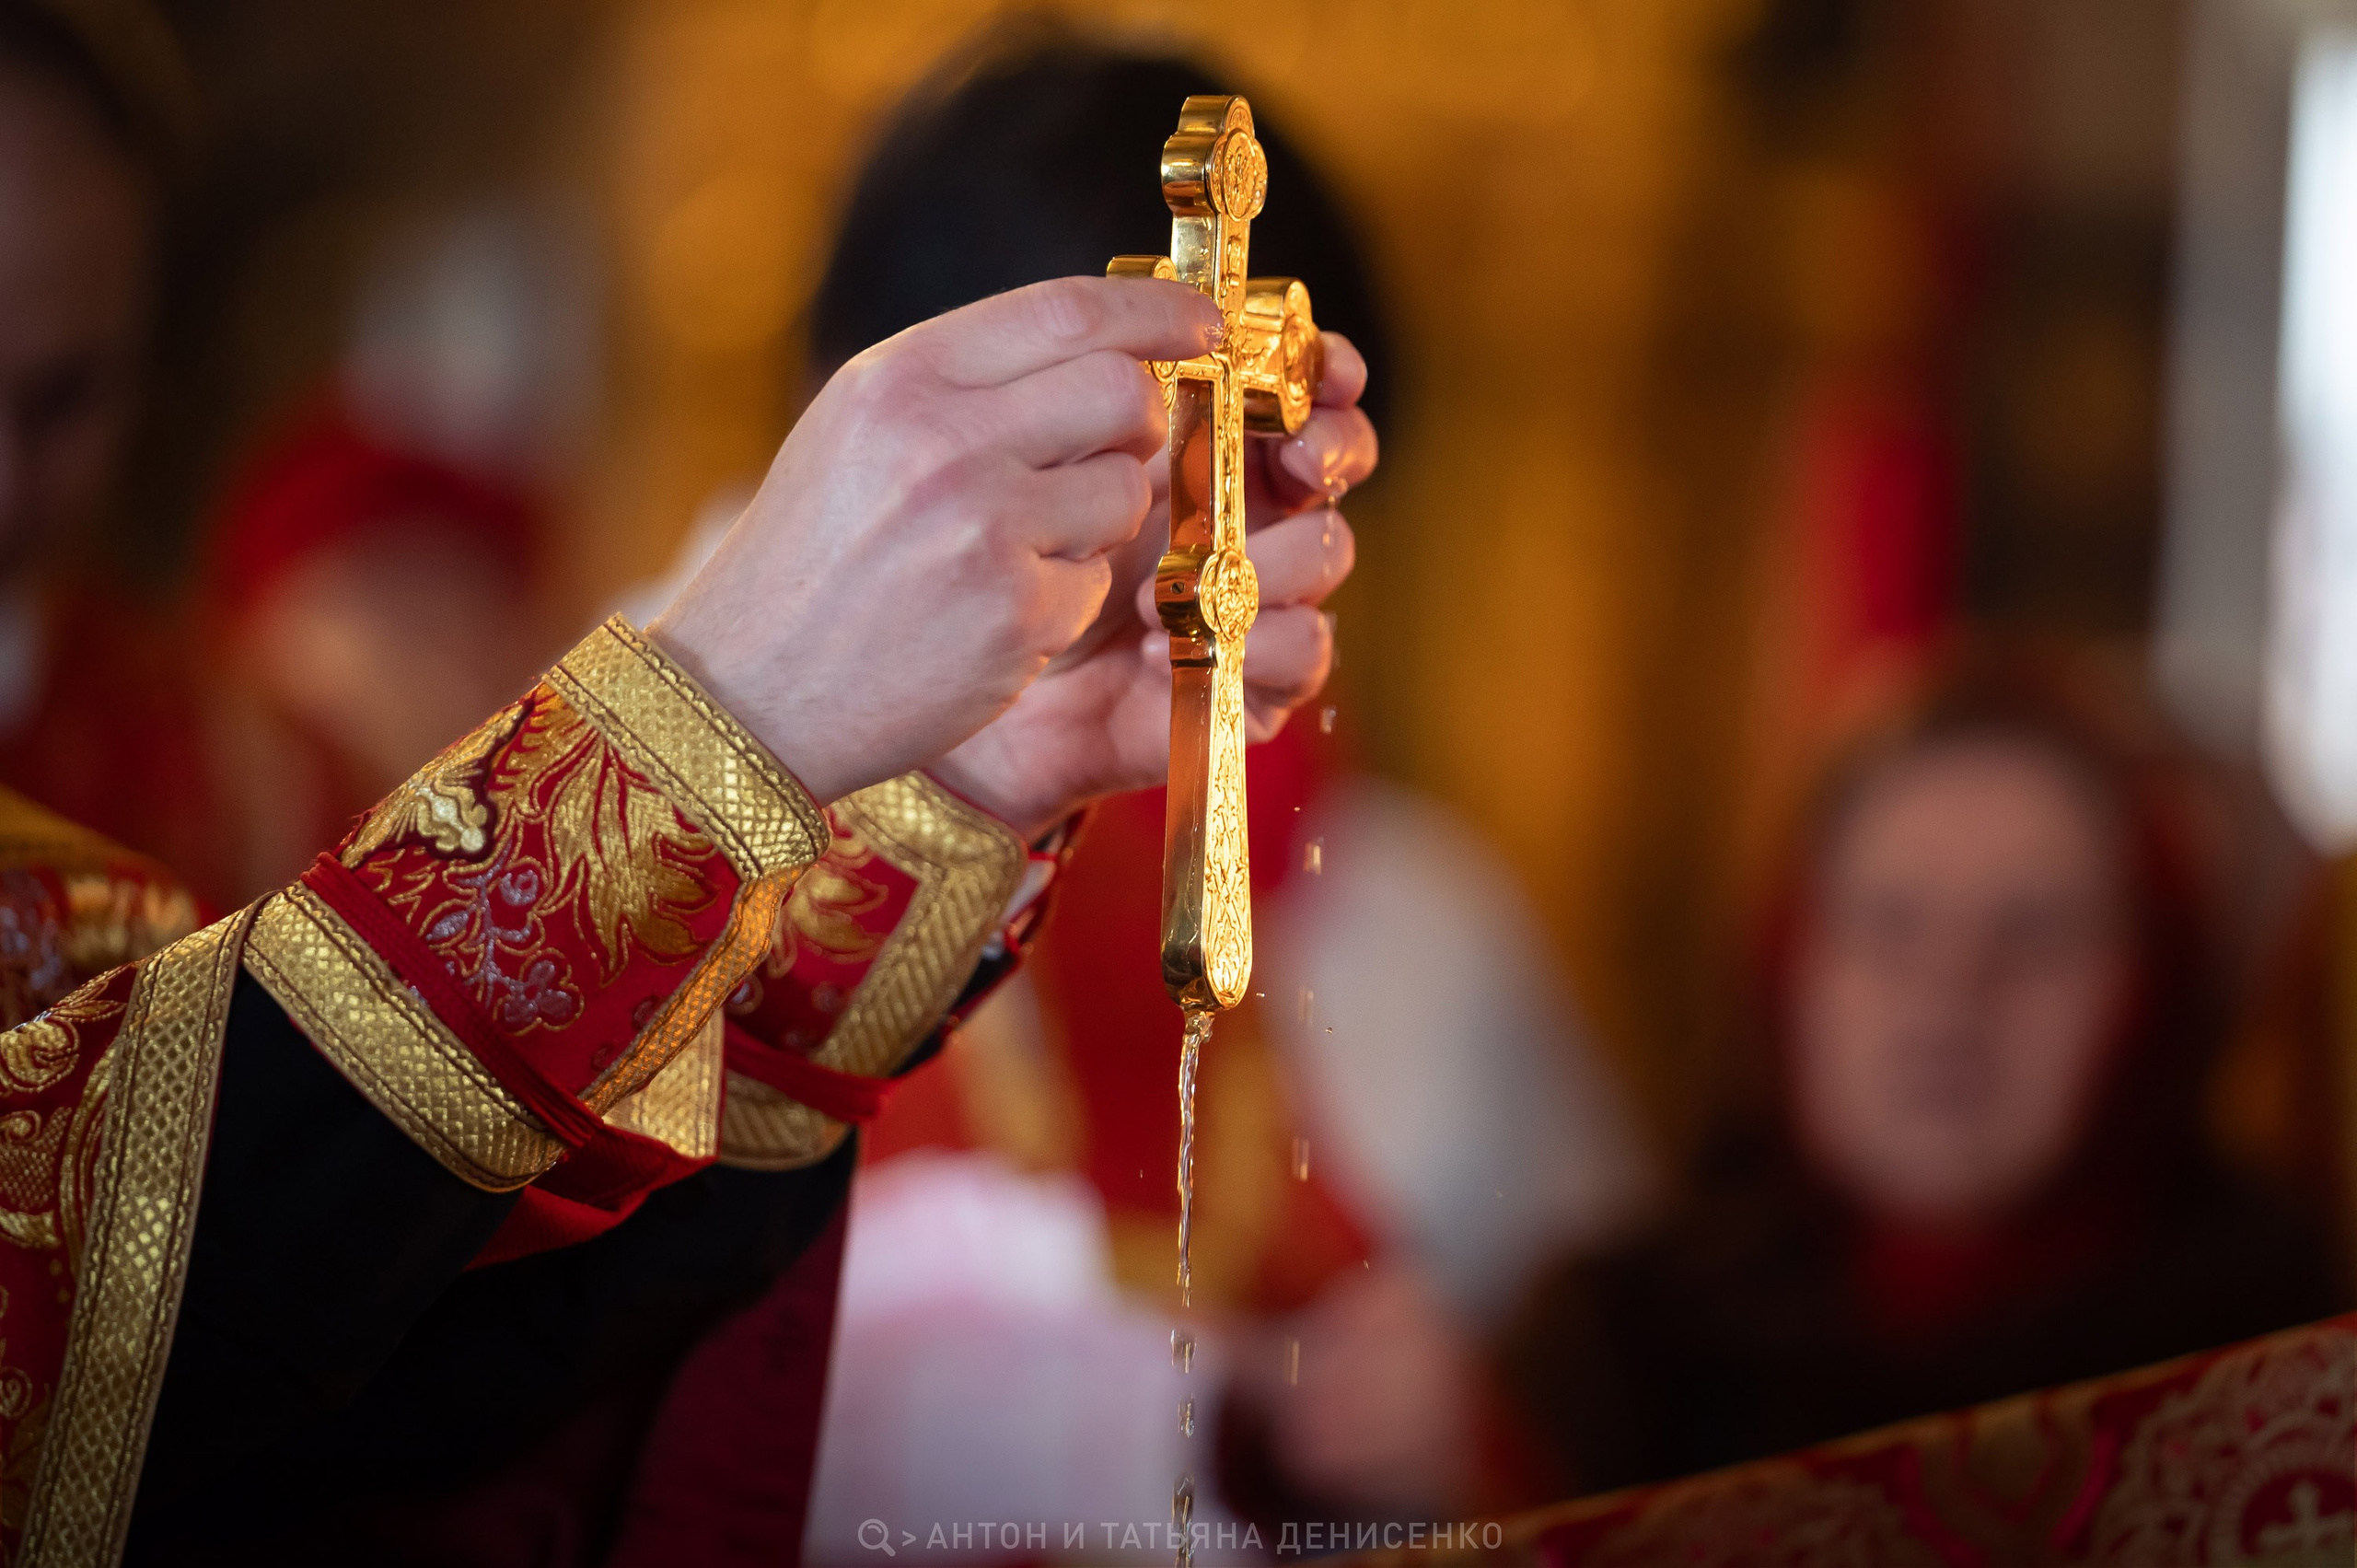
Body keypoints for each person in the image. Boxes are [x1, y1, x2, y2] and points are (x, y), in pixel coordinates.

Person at [0, 6, 1374, 1566]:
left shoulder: (236, 760)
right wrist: (719, 718)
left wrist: (931, 816)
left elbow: (375, 1362)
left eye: (61, 394)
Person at [725, 33, 1654, 1556]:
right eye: (1131, 452)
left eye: (1271, 469)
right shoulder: (663, 826)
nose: (1200, 532)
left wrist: (1445, 1439)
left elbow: (1578, 1412)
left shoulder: (1420, 915)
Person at [1500, 656, 2347, 1496]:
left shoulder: (2287, 1368)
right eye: (1890, 922)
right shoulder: (1610, 1354)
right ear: (1790, 966)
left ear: (2156, 985)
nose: (1950, 993)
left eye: (2038, 930)